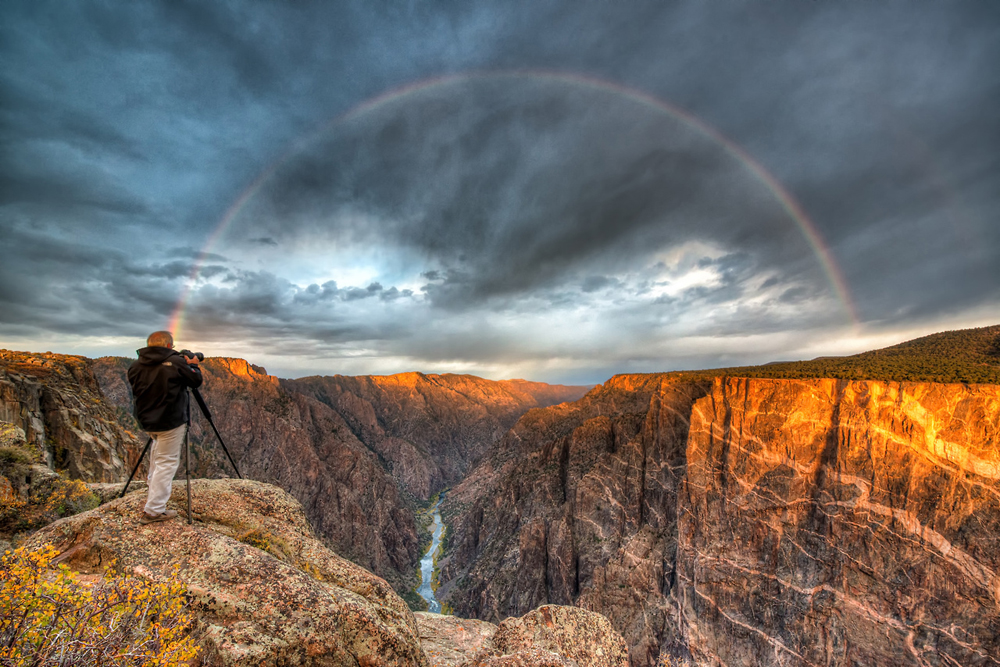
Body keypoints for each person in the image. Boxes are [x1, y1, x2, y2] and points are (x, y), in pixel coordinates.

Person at [127, 331, 203, 524]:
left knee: (157, 450)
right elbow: (195, 381)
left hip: (146, 421)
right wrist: (193, 365)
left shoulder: (135, 365)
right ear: (169, 346)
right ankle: (154, 510)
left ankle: (152, 485)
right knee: (167, 462)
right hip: (170, 421)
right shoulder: (175, 363)